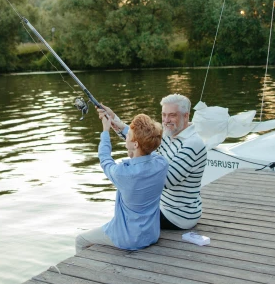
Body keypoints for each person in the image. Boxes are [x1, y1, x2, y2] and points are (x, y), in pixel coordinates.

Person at [99, 93, 207, 230]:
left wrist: (129, 172)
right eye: (164, 115)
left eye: (172, 115)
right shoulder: (170, 133)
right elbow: (144, 143)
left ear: (186, 116)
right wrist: (114, 119)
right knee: (127, 210)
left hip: (178, 215)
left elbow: (164, 181)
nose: (166, 120)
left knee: (127, 213)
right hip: (161, 206)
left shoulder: (192, 144)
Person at [75, 112, 168, 253]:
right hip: (151, 235)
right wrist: (121, 127)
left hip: (127, 238)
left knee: (80, 240)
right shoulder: (161, 164)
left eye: (129, 135)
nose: (127, 137)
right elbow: (148, 148)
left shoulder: (123, 173)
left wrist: (105, 131)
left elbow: (105, 159)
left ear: (135, 144)